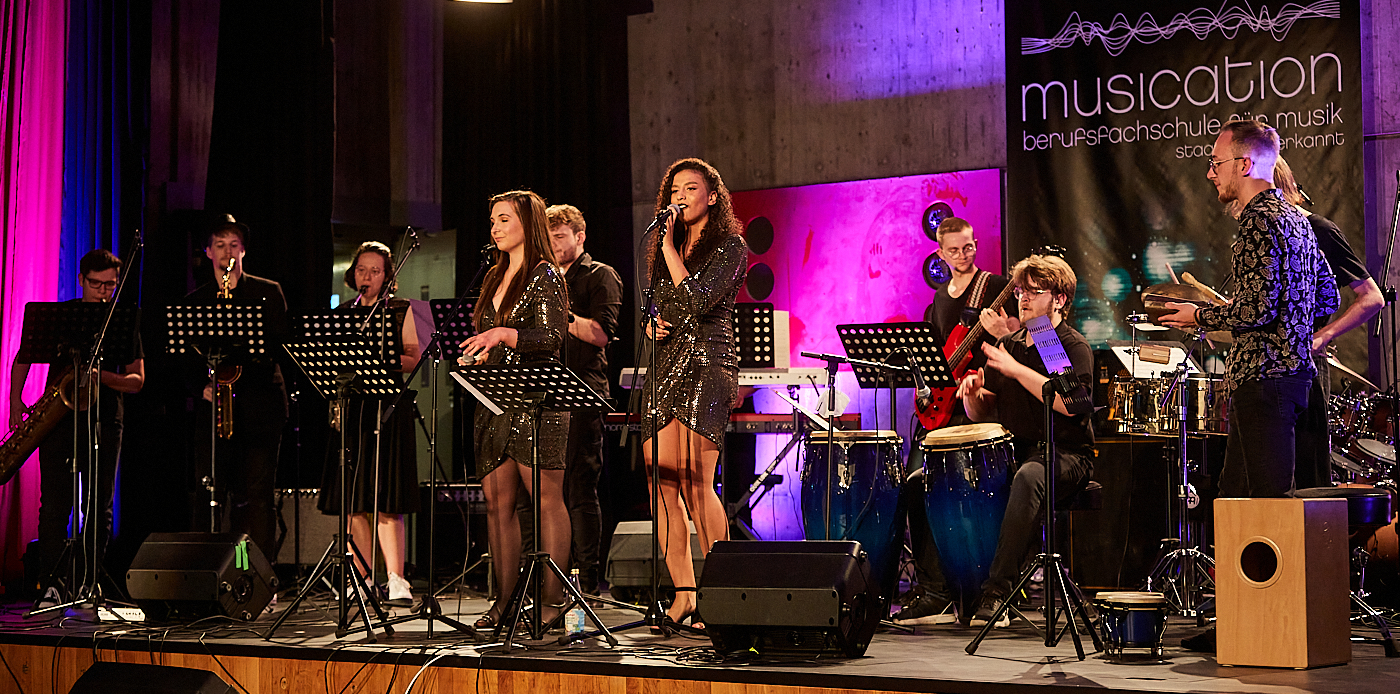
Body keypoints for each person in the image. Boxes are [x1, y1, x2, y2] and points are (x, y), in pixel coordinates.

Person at [1161, 119, 1338, 499]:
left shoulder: (1257, 219)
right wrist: (1292, 325)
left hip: (1263, 380)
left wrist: (1198, 316)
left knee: (1264, 505)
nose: (1210, 174)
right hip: (1292, 378)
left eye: (1216, 163)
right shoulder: (1296, 219)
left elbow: (1255, 310)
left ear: (1244, 165)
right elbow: (1328, 297)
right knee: (1237, 498)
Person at [957, 254, 1096, 627]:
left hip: (1065, 454)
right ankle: (946, 590)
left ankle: (998, 591)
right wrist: (973, 394)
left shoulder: (1063, 343)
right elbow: (981, 412)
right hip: (1014, 452)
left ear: (1059, 299)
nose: (1023, 298)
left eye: (1035, 291)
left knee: (1029, 476)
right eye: (1021, 290)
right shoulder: (1013, 344)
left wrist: (1016, 370)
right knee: (929, 479)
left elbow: (1071, 404)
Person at [642, 158, 749, 628]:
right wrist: (650, 324)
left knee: (694, 481)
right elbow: (662, 305)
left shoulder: (730, 246)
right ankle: (684, 593)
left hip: (706, 364)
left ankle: (719, 593)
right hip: (665, 365)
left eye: (691, 188)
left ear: (712, 196)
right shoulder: (666, 247)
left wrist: (668, 248)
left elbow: (696, 300)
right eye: (674, 190)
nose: (681, 197)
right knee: (661, 481)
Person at [458, 190, 571, 630]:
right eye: (493, 220)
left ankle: (552, 601)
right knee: (496, 503)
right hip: (495, 400)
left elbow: (551, 337)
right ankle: (504, 603)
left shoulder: (545, 274)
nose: (495, 227)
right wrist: (479, 354)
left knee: (545, 500)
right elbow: (488, 334)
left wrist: (505, 335)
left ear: (528, 222)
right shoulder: (492, 276)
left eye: (504, 219)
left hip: (537, 400)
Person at [897, 217, 1017, 625]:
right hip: (940, 409)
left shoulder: (996, 286)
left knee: (970, 498)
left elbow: (1021, 336)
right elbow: (934, 357)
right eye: (954, 250)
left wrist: (1001, 334)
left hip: (980, 406)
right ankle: (934, 590)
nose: (963, 255)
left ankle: (985, 590)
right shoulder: (938, 299)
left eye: (969, 247)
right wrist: (924, 386)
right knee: (914, 488)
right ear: (939, 253)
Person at [9, 249, 145, 604]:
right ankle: (52, 585)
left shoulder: (121, 319)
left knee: (99, 507)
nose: (104, 292)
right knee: (55, 505)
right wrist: (14, 402)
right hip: (58, 419)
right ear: (81, 280)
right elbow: (24, 356)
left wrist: (104, 377)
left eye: (110, 285)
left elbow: (137, 380)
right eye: (97, 284)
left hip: (105, 420)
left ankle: (88, 581)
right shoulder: (60, 316)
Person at [317, 241, 421, 606]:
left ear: (387, 276)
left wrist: (382, 360)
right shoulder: (344, 313)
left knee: (387, 499)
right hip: (353, 410)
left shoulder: (400, 309)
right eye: (362, 269)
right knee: (355, 501)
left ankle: (396, 579)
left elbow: (414, 357)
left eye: (375, 271)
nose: (367, 276)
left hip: (388, 409)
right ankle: (360, 579)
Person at [1273, 157, 1384, 489]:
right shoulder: (1267, 234)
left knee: (1308, 479)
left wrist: (1323, 336)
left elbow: (1372, 297)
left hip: (1305, 369)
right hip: (1271, 372)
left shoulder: (1319, 229)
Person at [185, 216, 289, 561]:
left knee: (257, 496)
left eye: (233, 245)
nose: (227, 252)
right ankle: (208, 569)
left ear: (243, 251)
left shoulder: (267, 291)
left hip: (260, 408)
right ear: (208, 252)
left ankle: (256, 572)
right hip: (214, 410)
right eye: (220, 245)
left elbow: (281, 346)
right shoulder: (197, 301)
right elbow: (181, 360)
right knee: (209, 492)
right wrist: (200, 387)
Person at [545, 204, 622, 595]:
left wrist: (560, 313)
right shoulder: (542, 277)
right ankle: (549, 579)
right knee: (545, 491)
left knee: (579, 489)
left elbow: (602, 334)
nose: (554, 244)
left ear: (580, 236)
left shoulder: (600, 275)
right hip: (544, 392)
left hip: (582, 394)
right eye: (549, 237)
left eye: (560, 237)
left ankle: (588, 582)